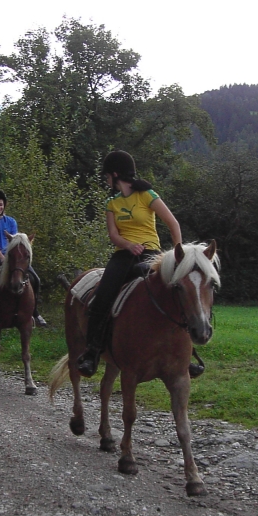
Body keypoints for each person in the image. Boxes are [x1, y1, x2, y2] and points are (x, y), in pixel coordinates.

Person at [76, 150, 183, 377]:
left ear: (115, 174)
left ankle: (185, 353)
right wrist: (128, 245)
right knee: (103, 295)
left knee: (173, 292)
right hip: (123, 255)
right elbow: (113, 235)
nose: (106, 180)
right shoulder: (112, 203)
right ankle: (92, 352)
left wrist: (178, 256)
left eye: (107, 175)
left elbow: (173, 223)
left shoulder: (147, 195)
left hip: (151, 254)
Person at [0, 189, 47, 327]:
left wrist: (10, 258)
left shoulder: (11, 222)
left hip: (13, 258)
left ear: (4, 205)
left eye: (0, 204)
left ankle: (34, 312)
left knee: (36, 279)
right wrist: (1, 257)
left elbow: (15, 241)